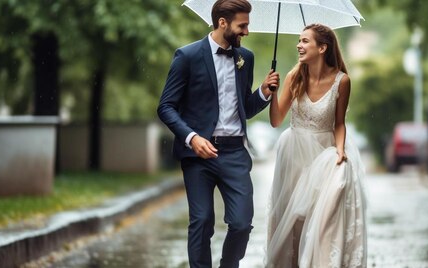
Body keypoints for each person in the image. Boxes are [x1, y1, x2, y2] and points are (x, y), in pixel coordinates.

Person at [157, 0, 280, 267]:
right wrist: (192, 138)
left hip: (235, 152)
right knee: (201, 221)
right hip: (198, 154)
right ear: (222, 23)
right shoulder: (187, 56)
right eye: (242, 25)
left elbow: (244, 109)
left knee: (241, 223)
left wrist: (263, 92)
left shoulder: (245, 58)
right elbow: (166, 106)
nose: (246, 31)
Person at [265, 24, 367, 267]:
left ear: (322, 48)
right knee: (293, 219)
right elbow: (276, 120)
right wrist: (273, 94)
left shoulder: (342, 81)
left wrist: (340, 149)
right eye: (299, 41)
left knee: (321, 217)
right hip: (294, 154)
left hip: (323, 153)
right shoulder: (294, 76)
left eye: (304, 41)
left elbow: (339, 124)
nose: (299, 45)